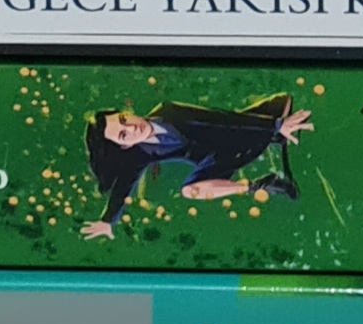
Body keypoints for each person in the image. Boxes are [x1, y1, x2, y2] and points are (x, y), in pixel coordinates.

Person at [80, 91, 313, 239]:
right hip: (218, 161)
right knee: (190, 190)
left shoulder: (171, 113)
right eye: (123, 135)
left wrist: (275, 126)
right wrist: (108, 220)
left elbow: (223, 121)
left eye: (124, 120)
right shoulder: (140, 152)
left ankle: (275, 132)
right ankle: (261, 185)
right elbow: (124, 184)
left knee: (275, 118)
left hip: (239, 138)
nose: (132, 128)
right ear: (125, 145)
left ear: (126, 112)